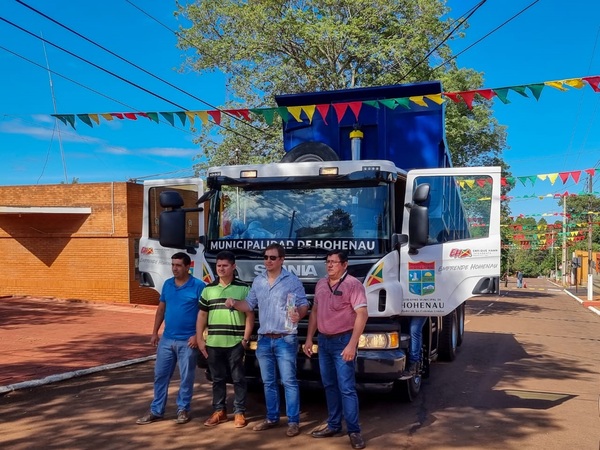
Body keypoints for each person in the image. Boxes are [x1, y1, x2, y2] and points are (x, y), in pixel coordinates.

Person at [226, 243, 308, 438]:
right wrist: (235, 303)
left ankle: (293, 421)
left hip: (285, 339)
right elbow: (250, 304)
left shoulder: (292, 281)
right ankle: (271, 418)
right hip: (264, 339)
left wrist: (299, 314)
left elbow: (304, 303)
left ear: (281, 260)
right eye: (265, 257)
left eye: (272, 258)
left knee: (289, 382)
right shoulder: (258, 281)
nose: (268, 261)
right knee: (268, 382)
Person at [303, 250, 368, 450]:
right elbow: (315, 311)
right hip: (323, 342)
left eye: (334, 262)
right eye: (328, 262)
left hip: (343, 341)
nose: (329, 265)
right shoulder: (321, 284)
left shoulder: (353, 285)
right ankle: (333, 425)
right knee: (329, 385)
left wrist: (352, 344)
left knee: (346, 387)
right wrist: (308, 339)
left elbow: (362, 314)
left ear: (344, 265)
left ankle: (354, 431)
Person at [136, 252, 205, 425]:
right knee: (160, 375)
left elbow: (205, 314)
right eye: (173, 265)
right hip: (167, 339)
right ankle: (156, 410)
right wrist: (154, 333)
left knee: (186, 377)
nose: (174, 268)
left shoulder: (198, 286)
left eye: (178, 265)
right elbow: (161, 310)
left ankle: (183, 409)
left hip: (187, 341)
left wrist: (197, 336)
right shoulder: (167, 285)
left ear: (188, 267)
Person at [197, 251, 254, 429]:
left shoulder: (243, 288)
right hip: (214, 343)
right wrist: (200, 338)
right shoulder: (208, 290)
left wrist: (245, 339)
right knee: (218, 379)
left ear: (233, 267)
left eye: (225, 265)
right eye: (218, 266)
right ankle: (219, 411)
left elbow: (250, 315)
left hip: (236, 342)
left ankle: (239, 412)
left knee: (238, 379)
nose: (221, 268)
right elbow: (202, 315)